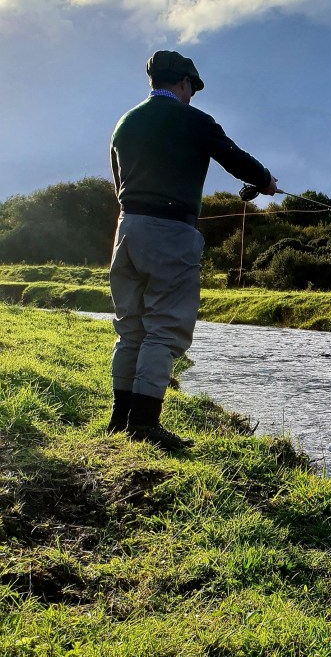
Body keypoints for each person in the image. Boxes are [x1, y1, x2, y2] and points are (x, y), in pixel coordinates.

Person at [107, 50, 276, 451]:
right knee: (164, 328)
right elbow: (236, 160)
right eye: (192, 88)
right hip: (171, 233)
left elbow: (118, 183)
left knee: (130, 327)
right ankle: (144, 425)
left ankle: (119, 421)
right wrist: (266, 181)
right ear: (183, 83)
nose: (192, 95)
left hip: (127, 229)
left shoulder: (124, 123)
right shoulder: (195, 121)